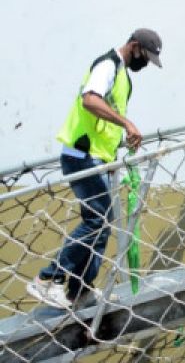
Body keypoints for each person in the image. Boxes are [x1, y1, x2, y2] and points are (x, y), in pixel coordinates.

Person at [25, 29, 163, 310]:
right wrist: (127, 123)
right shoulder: (107, 65)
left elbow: (105, 116)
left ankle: (80, 291)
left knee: (101, 223)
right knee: (97, 221)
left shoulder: (123, 75)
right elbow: (90, 99)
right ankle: (46, 279)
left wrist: (119, 140)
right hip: (82, 155)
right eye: (145, 57)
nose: (145, 64)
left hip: (98, 158)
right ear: (134, 46)